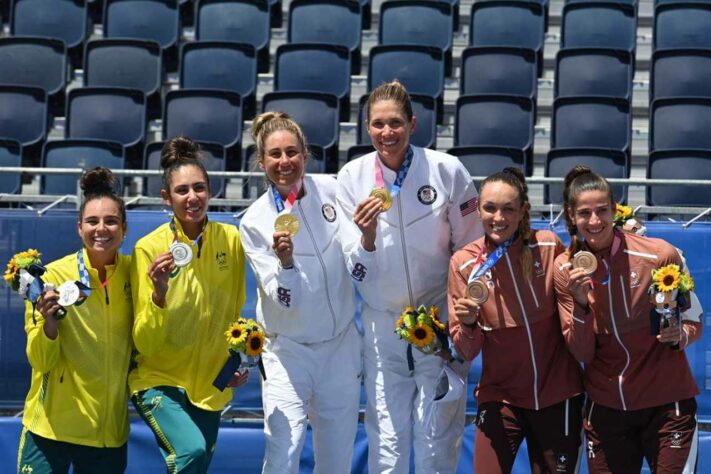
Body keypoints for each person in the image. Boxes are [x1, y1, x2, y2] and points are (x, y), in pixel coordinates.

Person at [336, 80, 484, 473]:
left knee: (437, 432)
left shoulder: (446, 170)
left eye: (396, 123)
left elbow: (472, 251)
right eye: (379, 124)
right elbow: (354, 268)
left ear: (413, 124)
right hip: (382, 322)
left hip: (438, 316)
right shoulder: (351, 178)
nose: (387, 133)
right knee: (386, 435)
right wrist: (366, 238)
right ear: (367, 128)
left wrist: (458, 315)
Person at [554, 165, 702, 473]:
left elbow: (694, 320)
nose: (594, 221)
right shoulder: (565, 270)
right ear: (570, 215)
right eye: (584, 213)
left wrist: (680, 335)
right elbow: (582, 353)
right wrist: (581, 305)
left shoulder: (660, 255)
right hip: (606, 407)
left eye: (601, 211)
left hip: (667, 404)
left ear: (614, 209)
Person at [239, 112, 362, 473]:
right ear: (261, 162)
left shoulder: (334, 190)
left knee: (336, 460)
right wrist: (286, 263)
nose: (284, 162)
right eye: (274, 155)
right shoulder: (254, 222)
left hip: (339, 348)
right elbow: (283, 298)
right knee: (283, 453)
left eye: (292, 152)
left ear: (305, 156)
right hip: (287, 354)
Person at [447, 168, 584, 473]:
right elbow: (466, 351)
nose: (499, 218)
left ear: (523, 210)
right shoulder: (464, 263)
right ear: (478, 209)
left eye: (509, 209)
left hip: (557, 393)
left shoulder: (548, 246)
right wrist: (467, 325)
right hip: (500, 397)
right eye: (490, 208)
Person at [130, 136, 249, 473]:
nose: (192, 197)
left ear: (211, 191)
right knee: (191, 452)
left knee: (196, 466)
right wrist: (158, 293)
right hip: (159, 380)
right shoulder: (148, 248)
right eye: (182, 190)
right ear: (167, 198)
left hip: (211, 385)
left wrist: (233, 360)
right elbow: (145, 340)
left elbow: (235, 309)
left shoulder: (233, 239)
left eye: (199, 188)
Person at [16, 167, 133, 473]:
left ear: (124, 228)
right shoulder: (50, 277)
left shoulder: (136, 276)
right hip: (49, 430)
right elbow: (39, 360)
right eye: (92, 221)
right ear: (79, 228)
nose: (101, 229)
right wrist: (50, 326)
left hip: (107, 434)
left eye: (111, 221)